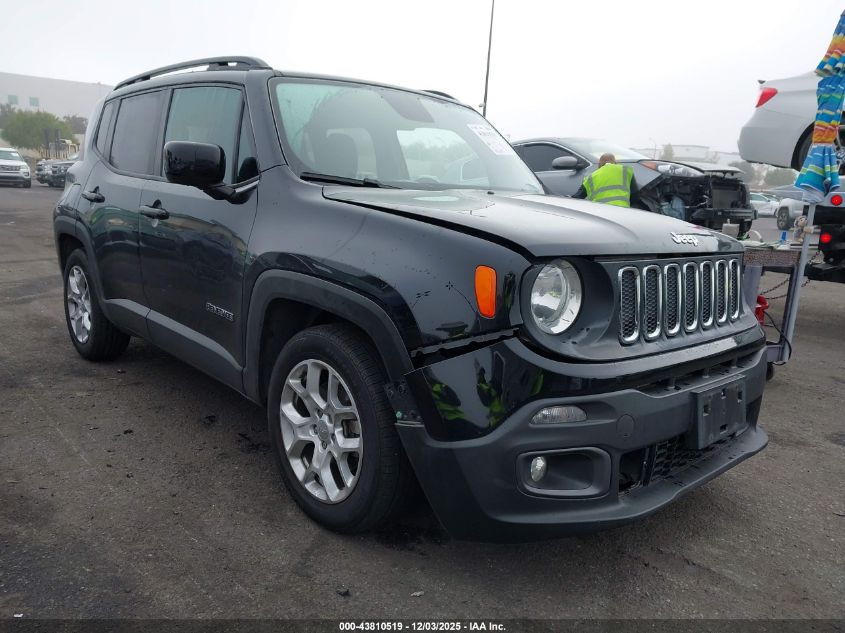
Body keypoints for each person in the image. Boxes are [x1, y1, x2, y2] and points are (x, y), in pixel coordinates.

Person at [572, 153, 638, 207]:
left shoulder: (591, 177)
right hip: (622, 209)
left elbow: (578, 197)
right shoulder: (625, 171)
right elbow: (635, 195)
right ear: (615, 162)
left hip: (602, 212)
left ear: (599, 164)